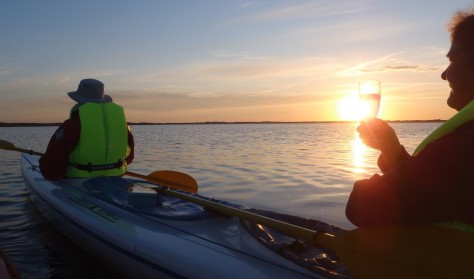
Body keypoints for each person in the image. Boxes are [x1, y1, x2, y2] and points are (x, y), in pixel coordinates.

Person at [345, 8, 474, 231]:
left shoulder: (460, 151)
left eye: (453, 60)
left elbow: (361, 205)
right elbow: (430, 194)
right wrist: (393, 152)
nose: (444, 74)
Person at [39, 78, 134, 180]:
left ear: (79, 100)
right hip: (116, 178)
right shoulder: (123, 126)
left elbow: (51, 169)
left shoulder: (71, 125)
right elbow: (129, 157)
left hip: (78, 182)